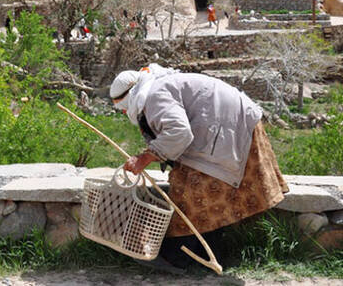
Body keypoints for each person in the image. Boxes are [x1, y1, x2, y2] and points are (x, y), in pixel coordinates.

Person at [110, 65, 288, 272]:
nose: (125, 112)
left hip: (232, 128)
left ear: (130, 96)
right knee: (210, 194)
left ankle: (177, 257)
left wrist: (146, 157)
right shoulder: (156, 89)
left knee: (190, 192)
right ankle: (205, 255)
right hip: (229, 125)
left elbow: (179, 132)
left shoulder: (155, 95)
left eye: (123, 107)